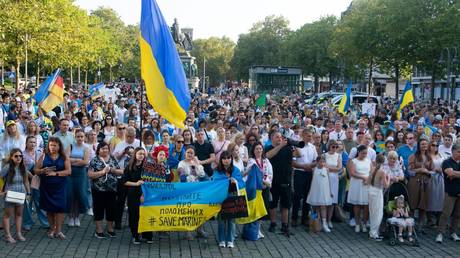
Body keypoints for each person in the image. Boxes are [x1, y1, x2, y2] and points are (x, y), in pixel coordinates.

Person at [34, 137, 71, 239]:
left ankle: (58, 231)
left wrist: (56, 173)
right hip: (46, 187)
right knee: (49, 208)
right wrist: (43, 171)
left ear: (59, 146)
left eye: (55, 145)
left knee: (60, 208)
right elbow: (35, 170)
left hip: (60, 186)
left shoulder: (64, 157)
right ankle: (52, 229)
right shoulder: (44, 156)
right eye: (51, 145)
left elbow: (68, 171)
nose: (52, 147)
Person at [88, 142, 123, 239]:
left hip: (112, 189)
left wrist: (112, 170)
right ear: (98, 150)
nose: (105, 150)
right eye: (103, 148)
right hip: (98, 190)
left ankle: (110, 228)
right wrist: (102, 172)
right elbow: (90, 174)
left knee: (111, 209)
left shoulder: (112, 159)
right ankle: (99, 229)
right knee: (98, 209)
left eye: (106, 148)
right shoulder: (94, 160)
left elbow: (121, 171)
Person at [120, 147, 153, 244]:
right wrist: (136, 184)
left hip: (146, 194)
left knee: (146, 214)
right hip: (133, 193)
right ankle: (135, 235)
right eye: (139, 154)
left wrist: (143, 194)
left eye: (143, 154)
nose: (141, 156)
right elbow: (124, 181)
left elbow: (151, 181)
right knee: (134, 215)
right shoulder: (129, 167)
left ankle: (147, 235)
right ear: (135, 155)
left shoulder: (148, 167)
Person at [213, 150, 244, 248]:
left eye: (228, 158)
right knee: (221, 220)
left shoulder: (236, 170)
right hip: (221, 198)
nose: (226, 160)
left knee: (231, 220)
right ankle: (221, 239)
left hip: (233, 197)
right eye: (224, 158)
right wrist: (227, 181)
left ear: (231, 159)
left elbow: (242, 183)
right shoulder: (217, 170)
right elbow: (215, 182)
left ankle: (230, 240)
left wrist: (235, 182)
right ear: (221, 160)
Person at [266, 131, 293, 236]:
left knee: (285, 205)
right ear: (272, 138)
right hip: (273, 181)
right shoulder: (268, 148)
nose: (280, 139)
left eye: (281, 137)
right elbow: (268, 156)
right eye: (277, 137)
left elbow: (298, 154)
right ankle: (273, 223)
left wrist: (293, 143)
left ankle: (284, 225)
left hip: (286, 181)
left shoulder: (287, 148)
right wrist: (280, 146)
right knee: (273, 204)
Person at [177, 146, 206, 240]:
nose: (190, 154)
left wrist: (197, 164)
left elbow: (202, 175)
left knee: (199, 209)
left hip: (197, 189)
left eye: (191, 153)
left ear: (194, 155)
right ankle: (187, 232)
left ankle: (199, 230)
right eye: (188, 152)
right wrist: (189, 176)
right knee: (188, 210)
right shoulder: (181, 163)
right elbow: (181, 176)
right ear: (185, 153)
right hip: (186, 190)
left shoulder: (196, 163)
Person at [1, 149, 30, 243]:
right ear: (11, 157)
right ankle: (8, 236)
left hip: (21, 194)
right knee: (7, 215)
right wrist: (1, 192)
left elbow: (26, 181)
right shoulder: (7, 167)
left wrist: (28, 193)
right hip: (9, 194)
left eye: (20, 156)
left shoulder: (23, 167)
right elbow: (0, 178)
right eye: (16, 156)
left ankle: (18, 234)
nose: (18, 158)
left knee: (19, 215)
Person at [246, 141, 273, 238]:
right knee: (254, 208)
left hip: (265, 187)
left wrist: (267, 182)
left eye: (260, 149)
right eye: (257, 149)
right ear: (253, 150)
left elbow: (270, 173)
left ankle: (258, 228)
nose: (259, 150)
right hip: (255, 188)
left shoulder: (266, 161)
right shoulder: (251, 161)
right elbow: (249, 174)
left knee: (262, 208)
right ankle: (252, 228)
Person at [22, 136, 49, 230]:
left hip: (38, 180)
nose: (33, 144)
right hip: (27, 181)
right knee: (27, 202)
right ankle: (27, 223)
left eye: (34, 142)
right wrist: (32, 177)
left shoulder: (40, 153)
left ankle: (45, 222)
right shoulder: (22, 154)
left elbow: (43, 166)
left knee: (39, 201)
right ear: (26, 143)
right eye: (30, 142)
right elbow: (23, 169)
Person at [291, 129, 317, 227]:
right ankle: (294, 218)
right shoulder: (297, 146)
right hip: (299, 173)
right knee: (297, 196)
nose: (310, 137)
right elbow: (292, 162)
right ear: (303, 135)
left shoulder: (313, 147)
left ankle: (304, 218)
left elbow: (315, 160)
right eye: (308, 136)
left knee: (307, 196)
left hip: (309, 173)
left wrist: (310, 166)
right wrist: (303, 166)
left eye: (311, 136)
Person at [407, 138, 433, 232]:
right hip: (414, 182)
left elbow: (432, 170)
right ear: (419, 145)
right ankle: (410, 225)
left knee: (423, 204)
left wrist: (429, 172)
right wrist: (420, 170)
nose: (424, 146)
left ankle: (420, 226)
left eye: (426, 144)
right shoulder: (413, 156)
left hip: (425, 182)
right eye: (422, 144)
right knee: (413, 204)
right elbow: (409, 171)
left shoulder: (429, 157)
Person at [436, 143, 460, 243]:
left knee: (458, 215)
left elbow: (453, 174)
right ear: (453, 151)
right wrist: (452, 173)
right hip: (450, 193)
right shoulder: (447, 162)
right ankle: (440, 233)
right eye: (459, 151)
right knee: (446, 214)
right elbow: (449, 173)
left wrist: (455, 174)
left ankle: (453, 232)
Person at [66, 129, 90, 227]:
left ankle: (77, 217)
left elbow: (85, 162)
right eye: (78, 136)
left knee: (79, 194)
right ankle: (71, 216)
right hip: (70, 173)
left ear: (84, 137)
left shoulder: (86, 148)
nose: (80, 138)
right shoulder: (70, 146)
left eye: (81, 136)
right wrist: (77, 160)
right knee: (70, 195)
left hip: (81, 174)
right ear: (75, 137)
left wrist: (73, 161)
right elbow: (66, 159)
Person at [347, 145, 371, 233]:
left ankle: (364, 223)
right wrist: (363, 177)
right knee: (356, 204)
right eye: (362, 153)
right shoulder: (353, 161)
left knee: (366, 205)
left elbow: (372, 172)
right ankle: (357, 223)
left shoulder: (368, 161)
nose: (364, 155)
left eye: (366, 153)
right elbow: (352, 173)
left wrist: (368, 179)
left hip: (366, 184)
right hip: (357, 184)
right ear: (358, 152)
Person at [307, 155, 333, 232]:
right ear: (317, 162)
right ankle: (314, 222)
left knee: (323, 206)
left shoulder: (326, 170)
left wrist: (330, 191)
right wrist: (310, 191)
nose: (322, 163)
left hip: (324, 190)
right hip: (315, 190)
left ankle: (324, 223)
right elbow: (312, 181)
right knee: (314, 207)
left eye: (323, 161)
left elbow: (328, 181)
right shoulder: (314, 169)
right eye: (321, 161)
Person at [367, 154, 390, 241]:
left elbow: (368, 181)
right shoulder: (382, 171)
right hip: (377, 192)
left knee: (372, 212)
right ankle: (373, 233)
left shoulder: (373, 168)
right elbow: (386, 185)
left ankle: (373, 232)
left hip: (371, 190)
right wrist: (388, 177)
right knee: (378, 214)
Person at [324, 140, 342, 228]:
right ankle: (323, 220)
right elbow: (324, 166)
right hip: (325, 178)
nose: (335, 148)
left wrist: (330, 168)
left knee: (332, 201)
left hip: (334, 179)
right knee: (325, 200)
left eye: (336, 147)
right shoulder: (325, 155)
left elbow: (339, 168)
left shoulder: (338, 155)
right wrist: (333, 168)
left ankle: (329, 220)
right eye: (333, 147)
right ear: (329, 147)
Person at [427, 141, 445, 226]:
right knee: (431, 197)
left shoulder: (440, 155)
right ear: (430, 146)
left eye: (437, 145)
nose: (435, 146)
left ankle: (439, 219)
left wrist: (442, 170)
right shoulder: (427, 156)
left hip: (440, 178)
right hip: (431, 178)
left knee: (440, 198)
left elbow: (444, 166)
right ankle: (429, 219)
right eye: (433, 145)